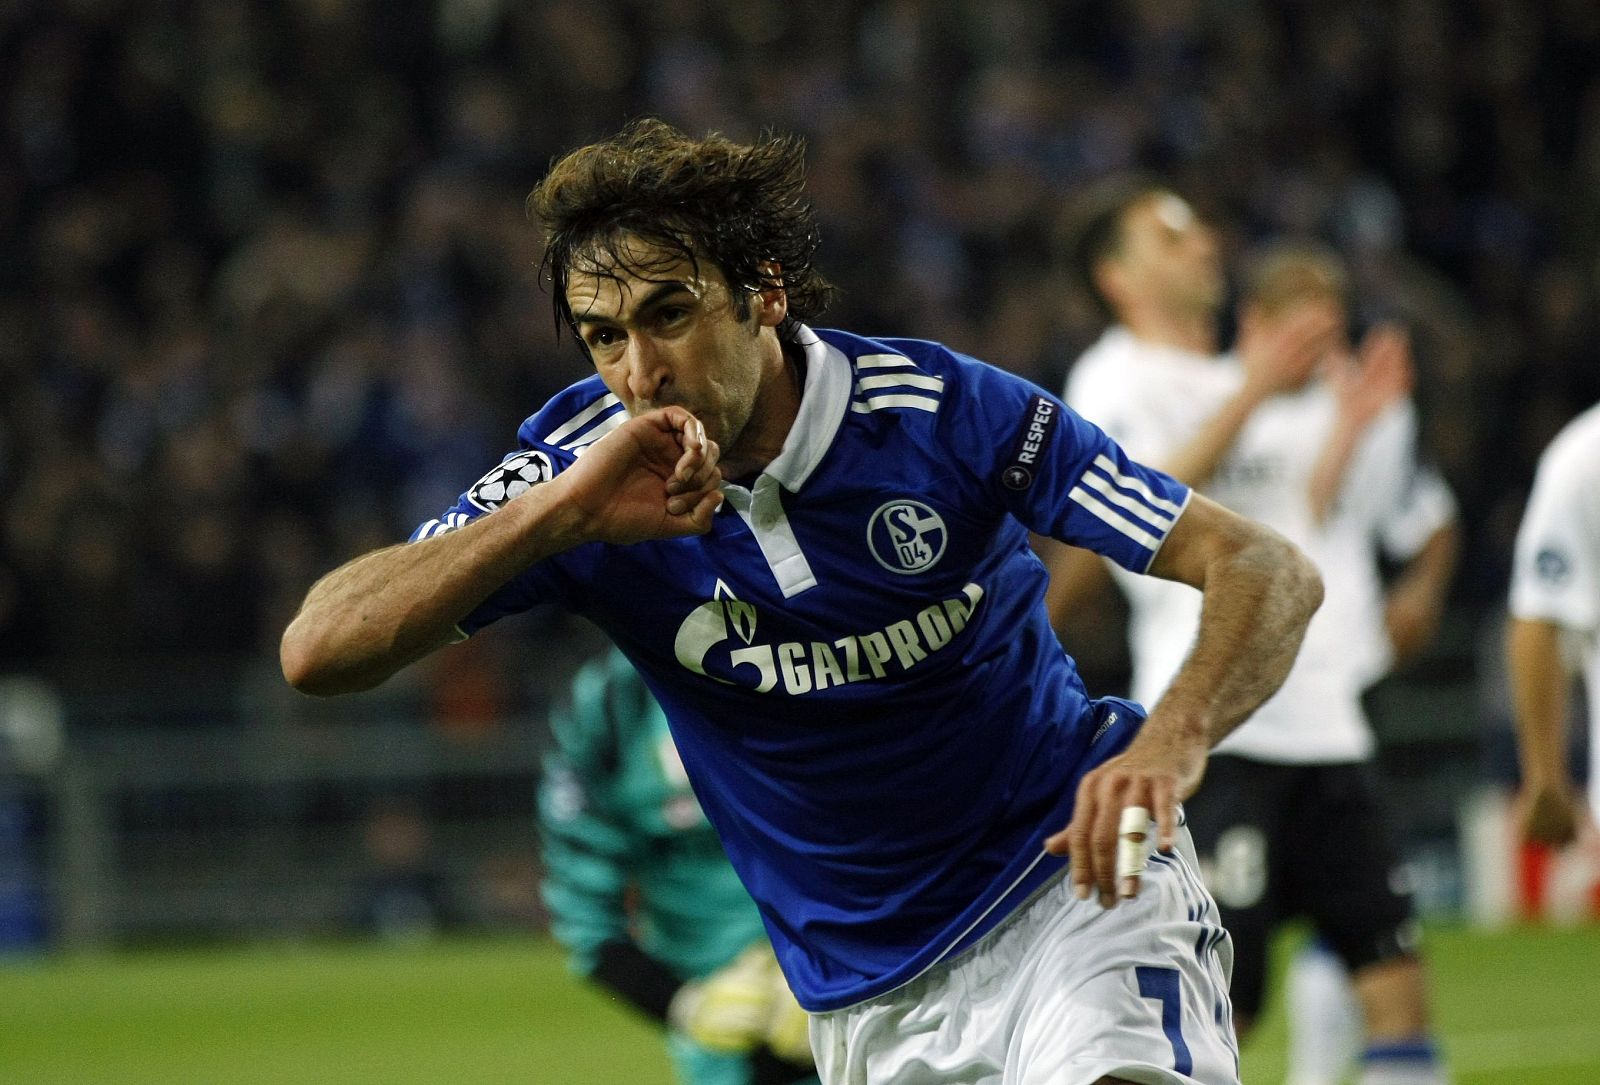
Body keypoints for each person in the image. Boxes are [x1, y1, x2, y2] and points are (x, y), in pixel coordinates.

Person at [281, 120, 1324, 1085]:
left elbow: (1261, 565)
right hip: (862, 1001)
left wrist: (1172, 739)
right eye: (603, 337)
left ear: (763, 292)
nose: (639, 372)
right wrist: (560, 515)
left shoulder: (944, 415)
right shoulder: (576, 476)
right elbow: (319, 649)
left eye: (670, 313)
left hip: (1073, 892)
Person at [1045, 178, 1456, 1085]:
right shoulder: (1115, 377)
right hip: (1211, 731)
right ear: (1117, 276)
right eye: (1170, 237)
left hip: (1325, 722)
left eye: (1199, 231)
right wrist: (1257, 393)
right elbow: (1127, 506)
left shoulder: (1256, 377)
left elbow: (1306, 523)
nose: (1203, 246)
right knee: (1221, 1002)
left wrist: (1348, 430)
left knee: (1395, 985)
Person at [540, 645, 818, 1085]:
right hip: (726, 1046)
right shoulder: (608, 705)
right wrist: (685, 1005)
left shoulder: (818, 655)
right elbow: (587, 920)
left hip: (879, 998)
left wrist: (847, 962)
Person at [1507, 401, 1600, 856]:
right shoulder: (1584, 459)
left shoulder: (1584, 456)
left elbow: (1537, 621)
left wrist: (1545, 778)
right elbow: (1539, 620)